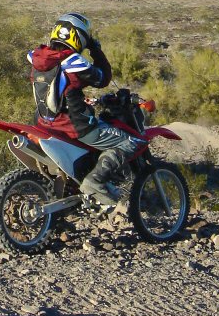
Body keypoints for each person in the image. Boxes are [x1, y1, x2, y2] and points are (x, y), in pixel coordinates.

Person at [27, 12, 138, 206]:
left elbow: (64, 90)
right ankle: (94, 182)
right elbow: (103, 78)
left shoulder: (37, 58)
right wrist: (95, 49)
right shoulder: (73, 62)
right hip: (75, 127)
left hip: (45, 124)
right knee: (130, 142)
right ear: (79, 37)